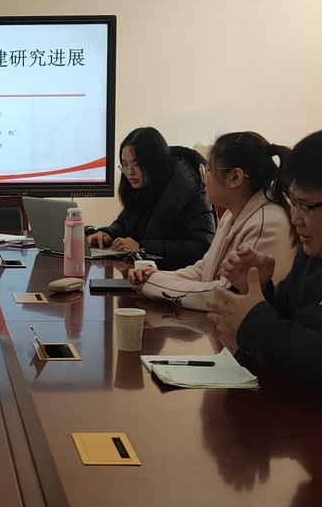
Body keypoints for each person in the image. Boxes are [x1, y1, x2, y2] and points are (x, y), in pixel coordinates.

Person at [128, 132, 297, 311]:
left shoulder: (267, 223)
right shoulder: (232, 214)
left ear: (235, 178)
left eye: (207, 170)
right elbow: (204, 270)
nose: (203, 178)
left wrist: (156, 284)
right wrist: (157, 276)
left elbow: (228, 295)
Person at [207, 130, 322, 390]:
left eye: (306, 206)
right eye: (294, 202)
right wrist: (257, 288)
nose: (295, 219)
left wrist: (253, 317)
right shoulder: (311, 253)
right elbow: (289, 316)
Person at [86, 127, 216, 270]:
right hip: (146, 272)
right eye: (124, 164)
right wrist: (108, 233)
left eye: (137, 164)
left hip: (178, 276)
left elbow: (202, 246)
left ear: (154, 163)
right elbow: (126, 222)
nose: (129, 172)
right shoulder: (144, 185)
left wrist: (142, 247)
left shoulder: (188, 189)